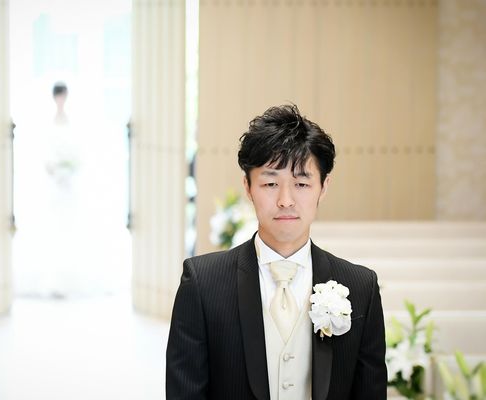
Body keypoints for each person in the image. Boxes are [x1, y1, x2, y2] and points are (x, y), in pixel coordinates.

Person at [166, 104, 387, 399]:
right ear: (248, 187)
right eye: (270, 183)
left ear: (323, 187)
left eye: (301, 183)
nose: (286, 200)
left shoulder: (360, 288)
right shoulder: (202, 283)